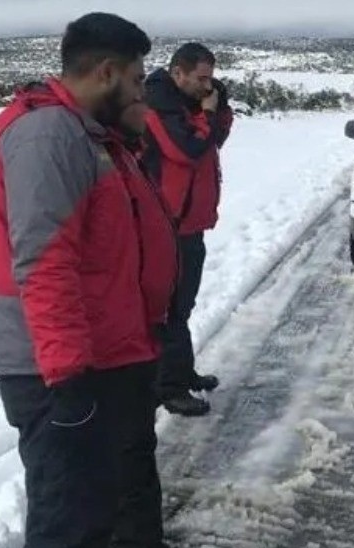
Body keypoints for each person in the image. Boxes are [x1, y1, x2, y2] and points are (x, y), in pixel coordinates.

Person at [0, 13, 196, 548]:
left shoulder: (93, 135)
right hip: (61, 370)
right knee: (67, 526)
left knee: (97, 508)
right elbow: (44, 263)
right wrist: (69, 377)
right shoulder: (49, 137)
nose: (141, 90)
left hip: (108, 353)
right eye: (135, 77)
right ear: (106, 71)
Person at [141, 42, 234, 416]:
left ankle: (181, 372)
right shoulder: (158, 107)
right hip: (167, 226)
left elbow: (216, 140)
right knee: (171, 311)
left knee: (183, 305)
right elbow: (187, 149)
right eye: (200, 79)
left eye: (210, 79)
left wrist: (218, 108)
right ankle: (171, 388)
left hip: (189, 225)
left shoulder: (189, 104)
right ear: (177, 73)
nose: (206, 86)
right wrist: (208, 115)